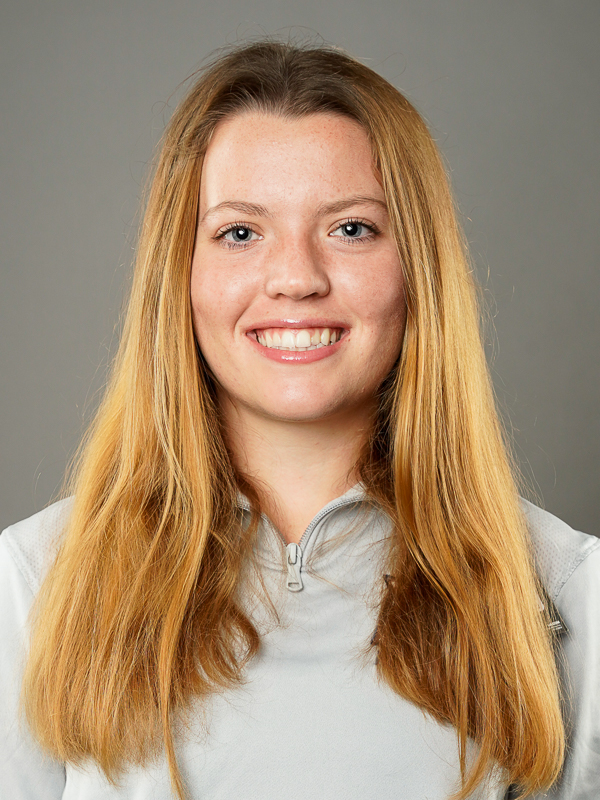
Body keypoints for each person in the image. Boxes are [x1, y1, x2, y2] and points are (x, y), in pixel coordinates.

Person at [1, 39, 598, 800]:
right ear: (178, 274)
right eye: (240, 233)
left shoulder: (566, 591)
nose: (295, 278)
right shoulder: (34, 583)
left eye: (351, 229)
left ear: (417, 268)